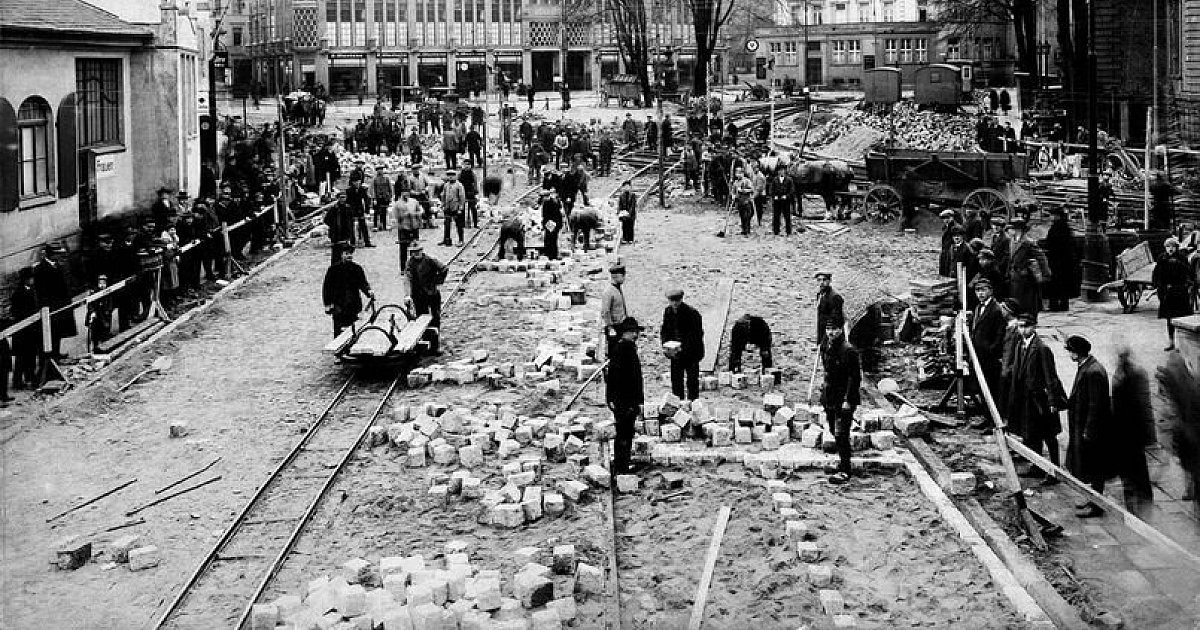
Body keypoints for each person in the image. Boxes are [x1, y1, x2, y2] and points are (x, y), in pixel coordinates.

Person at [1005, 314, 1067, 480]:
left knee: (1049, 436)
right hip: (1025, 399)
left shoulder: (1041, 348)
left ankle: (1055, 472)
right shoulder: (1020, 345)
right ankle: (1038, 466)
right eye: (1019, 326)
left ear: (1034, 327)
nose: (1022, 329)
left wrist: (1053, 400)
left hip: (1040, 400)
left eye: (1026, 326)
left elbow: (1050, 376)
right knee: (1032, 434)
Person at [1064, 335, 1114, 517]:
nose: (1069, 354)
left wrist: (1088, 431)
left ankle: (1097, 505)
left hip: (1093, 430)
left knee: (1096, 468)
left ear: (1077, 352)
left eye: (1070, 350)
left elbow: (1095, 404)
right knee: (1091, 467)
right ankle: (1093, 499)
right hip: (1085, 426)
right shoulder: (1087, 366)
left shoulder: (1093, 372)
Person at [1110, 346, 1154, 515]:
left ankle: (1144, 509)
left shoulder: (1136, 375)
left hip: (1133, 435)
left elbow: (1144, 406)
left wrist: (1149, 437)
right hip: (1122, 434)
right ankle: (1132, 510)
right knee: (1128, 476)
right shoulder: (1120, 373)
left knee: (1138, 475)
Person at [821, 317, 860, 484]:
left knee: (841, 433)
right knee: (832, 429)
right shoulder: (827, 347)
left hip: (844, 398)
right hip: (830, 396)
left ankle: (845, 470)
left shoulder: (848, 350)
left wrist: (848, 400)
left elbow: (855, 378)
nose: (831, 332)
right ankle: (841, 463)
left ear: (841, 330)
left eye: (835, 329)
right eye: (828, 329)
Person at [606, 316, 645, 475]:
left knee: (624, 434)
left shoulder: (623, 348)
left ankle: (621, 464)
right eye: (633, 332)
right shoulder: (624, 350)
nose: (636, 335)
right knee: (624, 434)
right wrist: (634, 402)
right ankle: (622, 468)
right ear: (625, 333)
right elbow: (627, 379)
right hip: (625, 401)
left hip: (623, 401)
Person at [968, 278, 1006, 429]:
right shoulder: (978, 307)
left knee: (991, 389)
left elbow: (999, 334)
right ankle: (986, 417)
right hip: (978, 355)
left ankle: (994, 421)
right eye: (978, 291)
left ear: (990, 290)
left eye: (983, 290)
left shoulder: (996, 309)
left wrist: (992, 351)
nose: (980, 293)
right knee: (982, 389)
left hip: (989, 358)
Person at [660, 289, 704, 401]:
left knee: (692, 380)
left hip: (691, 353)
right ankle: (678, 403)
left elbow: (696, 335)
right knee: (676, 380)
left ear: (681, 299)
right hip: (676, 353)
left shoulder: (692, 313)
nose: (674, 303)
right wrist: (666, 346)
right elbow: (665, 330)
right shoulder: (668, 311)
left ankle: (693, 403)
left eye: (677, 301)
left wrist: (683, 348)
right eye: (671, 301)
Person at [34, 243, 77, 359]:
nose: (60, 256)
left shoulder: (57, 266)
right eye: (58, 254)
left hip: (60, 305)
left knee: (58, 332)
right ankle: (50, 358)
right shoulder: (40, 269)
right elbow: (41, 292)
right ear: (51, 255)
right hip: (51, 307)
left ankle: (56, 353)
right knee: (50, 333)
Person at [322, 243, 374, 337]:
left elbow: (362, 283)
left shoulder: (356, 268)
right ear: (341, 255)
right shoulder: (333, 270)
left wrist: (368, 291)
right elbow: (327, 288)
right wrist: (327, 304)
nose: (349, 256)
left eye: (350, 253)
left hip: (354, 304)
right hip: (339, 306)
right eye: (346, 253)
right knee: (339, 332)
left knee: (354, 330)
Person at [404, 242, 448, 354]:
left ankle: (435, 347)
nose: (416, 254)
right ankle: (424, 343)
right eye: (413, 252)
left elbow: (444, 269)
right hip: (418, 295)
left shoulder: (430, 260)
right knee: (421, 319)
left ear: (422, 251)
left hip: (432, 294)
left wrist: (438, 281)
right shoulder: (410, 263)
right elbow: (407, 279)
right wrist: (408, 295)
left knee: (435, 318)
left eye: (418, 251)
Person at [1152, 237, 1194, 350]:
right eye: (1168, 247)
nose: (1170, 249)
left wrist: (1178, 263)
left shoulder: (1182, 258)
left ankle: (1182, 345)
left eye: (1173, 246)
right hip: (1167, 293)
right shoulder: (1162, 258)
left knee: (1181, 318)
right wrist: (1157, 285)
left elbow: (1189, 272)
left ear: (1176, 248)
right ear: (1165, 248)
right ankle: (1171, 342)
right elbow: (1156, 273)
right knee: (1169, 319)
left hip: (1179, 292)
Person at [1005, 217, 1048, 322]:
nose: (1010, 231)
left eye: (1013, 228)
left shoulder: (1028, 242)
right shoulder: (1012, 241)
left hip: (1026, 278)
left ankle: (1029, 320)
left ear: (1019, 230)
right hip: (1014, 277)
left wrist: (1045, 274)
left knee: (1027, 303)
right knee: (1016, 302)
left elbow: (1041, 257)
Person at [11, 268, 40, 389]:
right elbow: (17, 312)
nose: (33, 280)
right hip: (22, 331)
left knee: (31, 355)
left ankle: (30, 377)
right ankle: (17, 382)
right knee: (21, 358)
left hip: (31, 329)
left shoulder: (31, 290)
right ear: (26, 279)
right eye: (31, 278)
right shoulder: (18, 293)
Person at [1043, 207, 1078, 311]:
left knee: (1055, 283)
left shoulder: (1055, 228)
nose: (1051, 217)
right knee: (1064, 284)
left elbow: (1050, 243)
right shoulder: (1066, 227)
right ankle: (1064, 304)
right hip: (1066, 261)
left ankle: (1054, 304)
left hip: (1056, 261)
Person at [600, 264, 629, 360]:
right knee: (614, 354)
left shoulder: (617, 288)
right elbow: (605, 311)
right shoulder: (609, 292)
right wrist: (610, 327)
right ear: (616, 276)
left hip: (621, 326)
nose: (624, 279)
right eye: (623, 276)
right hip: (614, 328)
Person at [394, 190, 423, 271]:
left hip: (414, 227)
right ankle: (403, 268)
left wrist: (416, 215)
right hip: (403, 228)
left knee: (415, 247)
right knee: (403, 249)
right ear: (401, 194)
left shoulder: (414, 202)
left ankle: (415, 267)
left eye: (407, 192)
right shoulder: (397, 204)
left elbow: (420, 211)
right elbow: (396, 217)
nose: (406, 194)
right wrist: (404, 214)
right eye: (403, 192)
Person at [815, 271, 844, 348]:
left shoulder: (835, 297)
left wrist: (827, 340)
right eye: (819, 280)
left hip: (831, 336)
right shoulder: (820, 295)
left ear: (829, 281)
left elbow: (835, 321)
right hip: (822, 333)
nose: (821, 282)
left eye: (824, 280)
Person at [86, 275, 115, 352]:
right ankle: (95, 347)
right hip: (96, 316)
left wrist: (109, 310)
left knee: (105, 331)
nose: (102, 285)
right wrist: (92, 312)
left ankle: (105, 346)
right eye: (100, 283)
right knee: (95, 333)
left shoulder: (108, 292)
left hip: (105, 315)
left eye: (104, 283)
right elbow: (90, 304)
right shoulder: (94, 293)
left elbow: (110, 303)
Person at [439, 170, 467, 247]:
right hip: (448, 208)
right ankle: (446, 239)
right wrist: (442, 204)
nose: (450, 177)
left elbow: (462, 197)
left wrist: (460, 208)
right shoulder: (446, 185)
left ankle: (461, 240)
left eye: (452, 175)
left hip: (456, 208)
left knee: (459, 225)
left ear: (456, 176)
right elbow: (443, 195)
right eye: (449, 175)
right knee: (447, 224)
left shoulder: (459, 185)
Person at [767, 165, 794, 236]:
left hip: (786, 201)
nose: (781, 172)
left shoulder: (789, 180)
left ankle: (788, 231)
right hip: (777, 201)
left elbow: (792, 190)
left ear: (785, 171)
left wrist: (786, 196)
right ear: (778, 172)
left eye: (782, 170)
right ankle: (776, 231)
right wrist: (774, 196)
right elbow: (771, 190)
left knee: (787, 216)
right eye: (780, 171)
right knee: (776, 216)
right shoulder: (775, 180)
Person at [346, 179, 375, 247]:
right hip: (351, 210)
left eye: (358, 182)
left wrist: (367, 210)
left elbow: (366, 200)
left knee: (363, 226)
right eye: (355, 182)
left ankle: (367, 242)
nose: (357, 183)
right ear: (353, 182)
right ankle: (352, 242)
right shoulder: (349, 190)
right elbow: (347, 202)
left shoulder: (362, 189)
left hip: (360, 209)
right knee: (351, 227)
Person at [938, 209, 963, 278]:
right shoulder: (945, 227)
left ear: (952, 217)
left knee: (949, 271)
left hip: (952, 253)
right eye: (944, 218)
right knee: (944, 271)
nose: (946, 220)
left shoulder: (956, 228)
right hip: (945, 252)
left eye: (948, 218)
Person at [540, 190, 563, 260]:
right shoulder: (546, 202)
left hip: (554, 223)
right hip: (550, 223)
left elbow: (555, 215)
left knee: (552, 239)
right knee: (548, 239)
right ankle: (548, 254)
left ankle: (553, 255)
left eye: (543, 197)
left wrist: (550, 225)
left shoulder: (553, 203)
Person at [733, 167, 755, 236]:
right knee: (742, 216)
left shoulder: (747, 181)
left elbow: (752, 189)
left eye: (740, 173)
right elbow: (733, 192)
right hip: (739, 202)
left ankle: (747, 230)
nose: (738, 175)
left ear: (743, 173)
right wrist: (733, 196)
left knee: (747, 216)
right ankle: (743, 230)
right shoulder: (735, 183)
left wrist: (744, 190)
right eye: (737, 173)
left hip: (747, 201)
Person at [459, 165, 479, 229]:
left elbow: (475, 183)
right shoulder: (460, 174)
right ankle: (462, 224)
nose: (466, 166)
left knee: (473, 208)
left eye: (468, 164)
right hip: (463, 192)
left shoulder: (472, 174)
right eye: (465, 164)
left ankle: (475, 223)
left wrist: (475, 191)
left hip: (471, 193)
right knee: (462, 208)